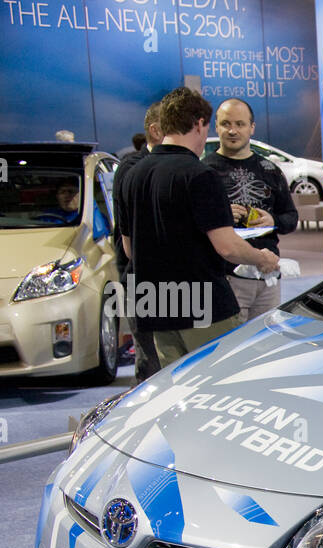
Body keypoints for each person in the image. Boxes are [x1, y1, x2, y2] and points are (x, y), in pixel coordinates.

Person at [118, 86, 278, 366]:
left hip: (156, 304)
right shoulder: (199, 175)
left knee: (177, 391)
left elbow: (130, 249)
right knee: (222, 384)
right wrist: (262, 258)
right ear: (199, 124)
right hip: (203, 305)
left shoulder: (134, 175)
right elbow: (227, 247)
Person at [203, 97, 297, 321]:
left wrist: (272, 220)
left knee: (265, 347)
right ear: (216, 126)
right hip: (225, 278)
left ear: (252, 127)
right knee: (229, 349)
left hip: (268, 277)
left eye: (240, 124)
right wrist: (222, 215)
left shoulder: (270, 170)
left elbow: (291, 218)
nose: (232, 130)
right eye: (226, 124)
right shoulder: (204, 172)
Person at [113, 101, 165, 381]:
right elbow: (131, 237)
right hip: (142, 281)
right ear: (156, 131)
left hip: (172, 285)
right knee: (151, 363)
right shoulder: (133, 168)